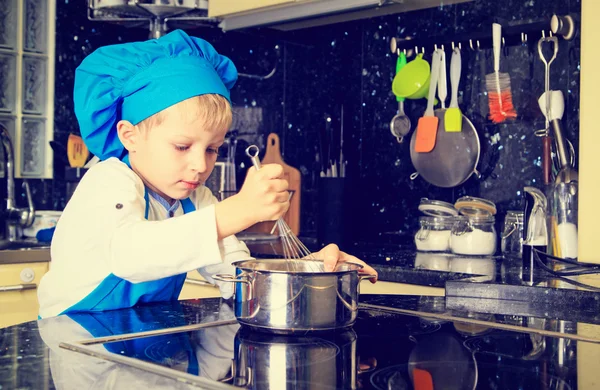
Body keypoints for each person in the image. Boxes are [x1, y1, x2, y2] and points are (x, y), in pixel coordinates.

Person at [37, 29, 377, 319]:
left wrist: (313, 270)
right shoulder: (108, 181)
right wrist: (238, 210)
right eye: (183, 147)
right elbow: (130, 255)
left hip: (142, 345)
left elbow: (238, 276)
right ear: (130, 136)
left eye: (212, 149)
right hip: (75, 346)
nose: (201, 165)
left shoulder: (195, 199)